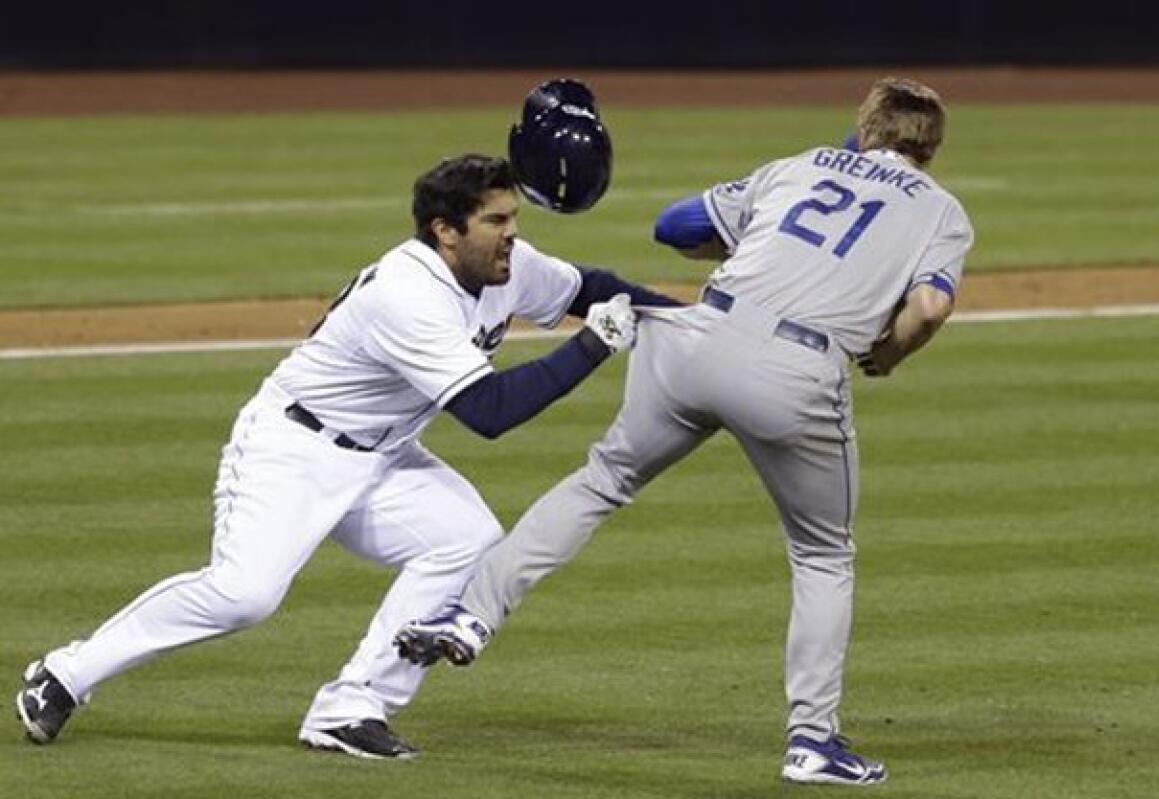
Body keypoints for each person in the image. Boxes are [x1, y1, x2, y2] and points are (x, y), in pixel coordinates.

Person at [395, 77, 974, 786]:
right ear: (931, 148)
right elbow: (931, 307)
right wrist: (887, 353)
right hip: (795, 372)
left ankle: (470, 616)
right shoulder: (943, 212)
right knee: (824, 553)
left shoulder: (798, 166)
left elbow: (674, 228)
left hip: (693, 338)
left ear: (865, 130)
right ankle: (812, 739)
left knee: (601, 480)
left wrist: (748, 241)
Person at [15, 152, 682, 759]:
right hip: (293, 447)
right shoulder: (409, 293)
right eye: (496, 220)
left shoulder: (504, 265)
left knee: (467, 540)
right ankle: (66, 672)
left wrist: (695, 318)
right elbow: (491, 412)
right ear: (446, 231)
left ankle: (352, 705)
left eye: (513, 217)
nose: (512, 232)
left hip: (384, 456)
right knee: (245, 594)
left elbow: (589, 285)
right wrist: (591, 347)